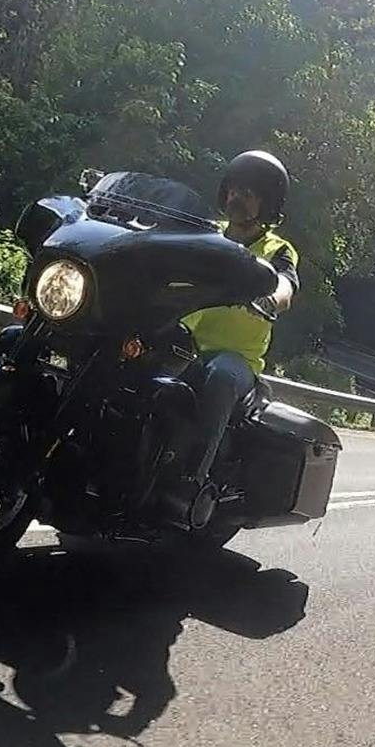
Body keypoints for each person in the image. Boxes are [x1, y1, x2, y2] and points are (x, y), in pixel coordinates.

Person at [161, 150, 299, 529]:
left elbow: (286, 283)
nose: (239, 196)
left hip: (235, 360)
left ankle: (191, 483)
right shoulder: (204, 232)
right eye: (235, 188)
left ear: (268, 202)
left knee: (220, 376)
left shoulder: (277, 250)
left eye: (251, 192)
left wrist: (270, 297)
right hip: (179, 343)